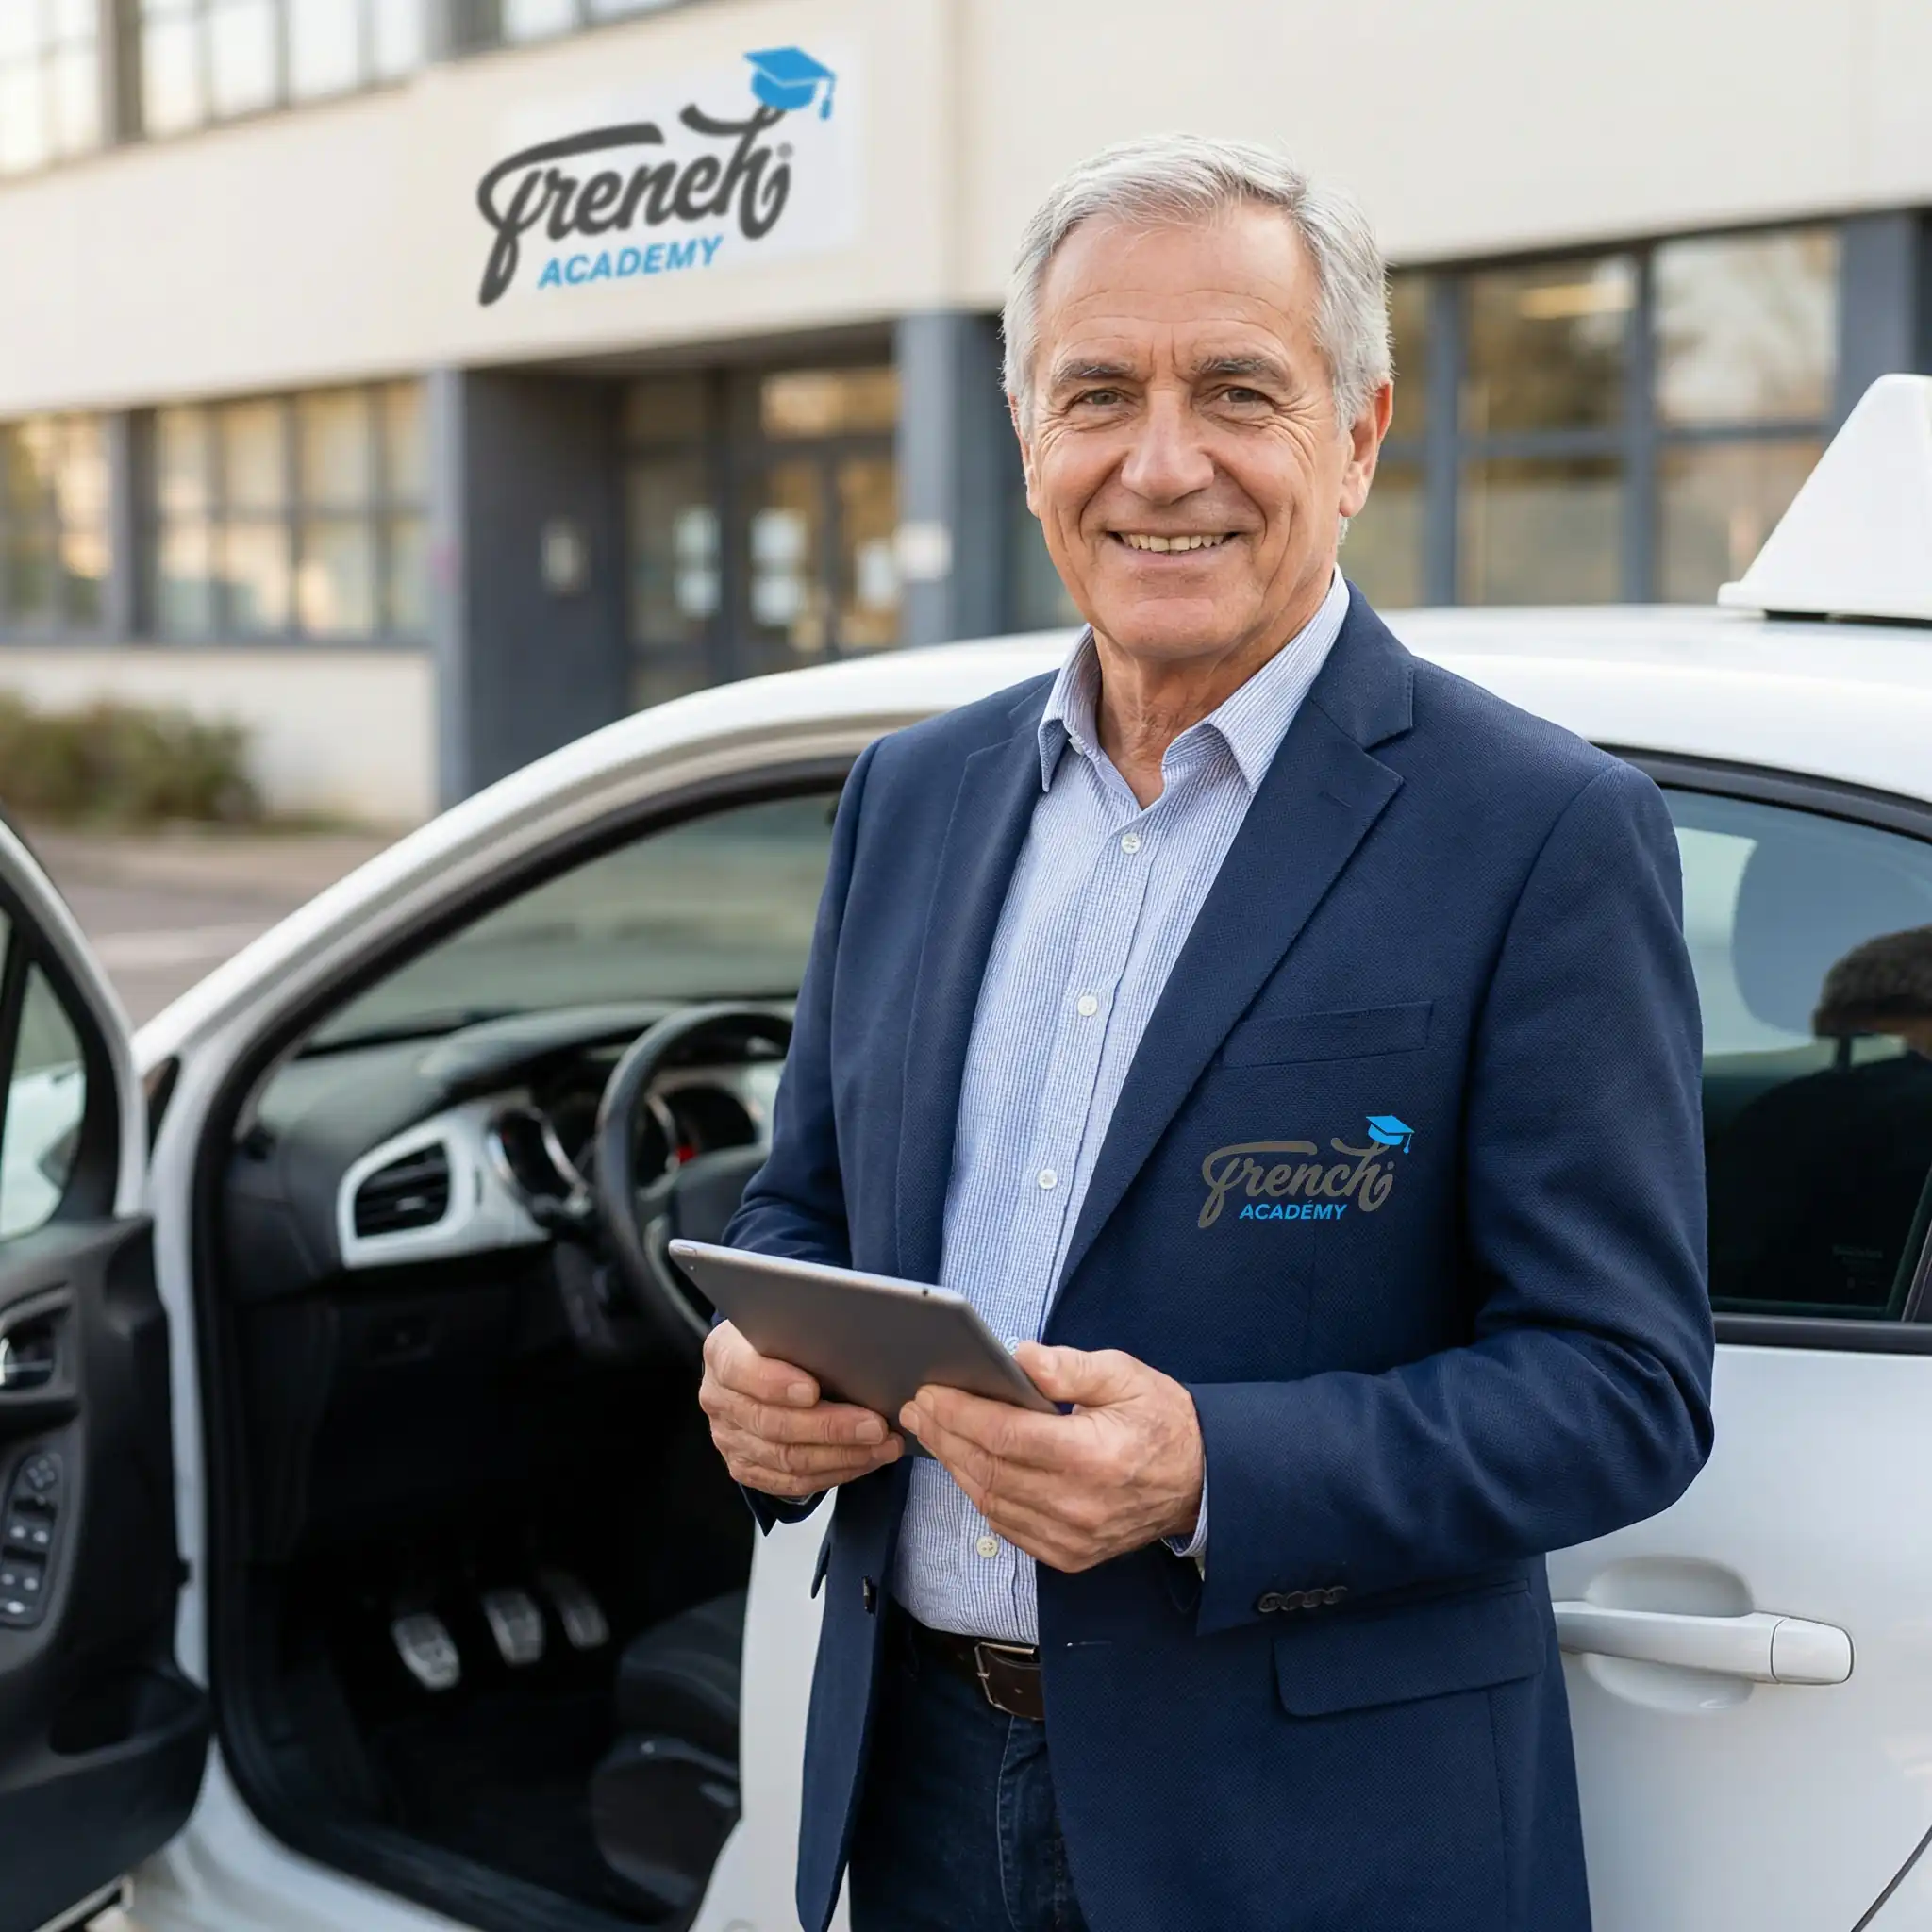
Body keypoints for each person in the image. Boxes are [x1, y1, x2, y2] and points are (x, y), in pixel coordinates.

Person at [700, 134, 1714, 1932]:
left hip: (1313, 1836)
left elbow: (1622, 1389)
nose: (1163, 465)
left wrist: (1209, 1475)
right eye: (1099, 393)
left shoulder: (1540, 832)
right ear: (1028, 437)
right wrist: (769, 1383)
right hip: (921, 1787)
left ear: (1360, 432)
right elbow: (810, 1213)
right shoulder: (913, 798)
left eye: (1238, 390)